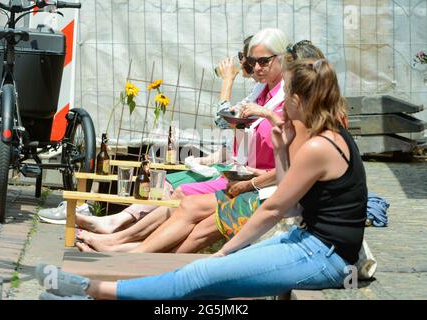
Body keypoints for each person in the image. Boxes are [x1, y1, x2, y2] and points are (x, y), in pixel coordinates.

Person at [37, 57, 367, 300]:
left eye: (288, 94)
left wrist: (226, 253)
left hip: (325, 256)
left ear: (298, 100)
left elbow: (275, 209)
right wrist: (281, 150)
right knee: (203, 273)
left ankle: (90, 290)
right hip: (313, 245)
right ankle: (88, 289)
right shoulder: (326, 136)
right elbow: (293, 201)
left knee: (203, 272)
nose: (281, 103)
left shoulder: (318, 146)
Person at [75, 29, 293, 253]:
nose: (255, 68)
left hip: (256, 183)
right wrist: (211, 158)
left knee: (188, 205)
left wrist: (232, 85)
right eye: (250, 62)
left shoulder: (287, 97)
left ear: (283, 58)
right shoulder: (261, 92)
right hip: (239, 173)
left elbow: (281, 151)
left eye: (262, 62)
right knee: (177, 191)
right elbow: (237, 137)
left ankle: (124, 245)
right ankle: (122, 239)